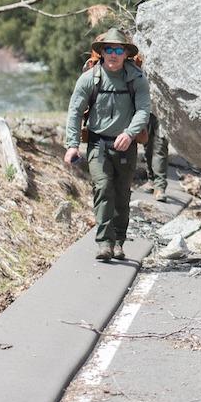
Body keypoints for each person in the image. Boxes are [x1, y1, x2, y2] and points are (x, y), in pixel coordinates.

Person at [63, 28, 151, 261]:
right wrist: (72, 145)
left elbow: (144, 110)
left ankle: (119, 242)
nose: (113, 54)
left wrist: (130, 133)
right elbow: (74, 111)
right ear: (102, 53)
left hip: (126, 146)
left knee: (122, 194)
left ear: (125, 54)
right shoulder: (89, 78)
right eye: (108, 49)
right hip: (98, 144)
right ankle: (104, 242)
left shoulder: (136, 79)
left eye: (118, 50)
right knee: (103, 188)